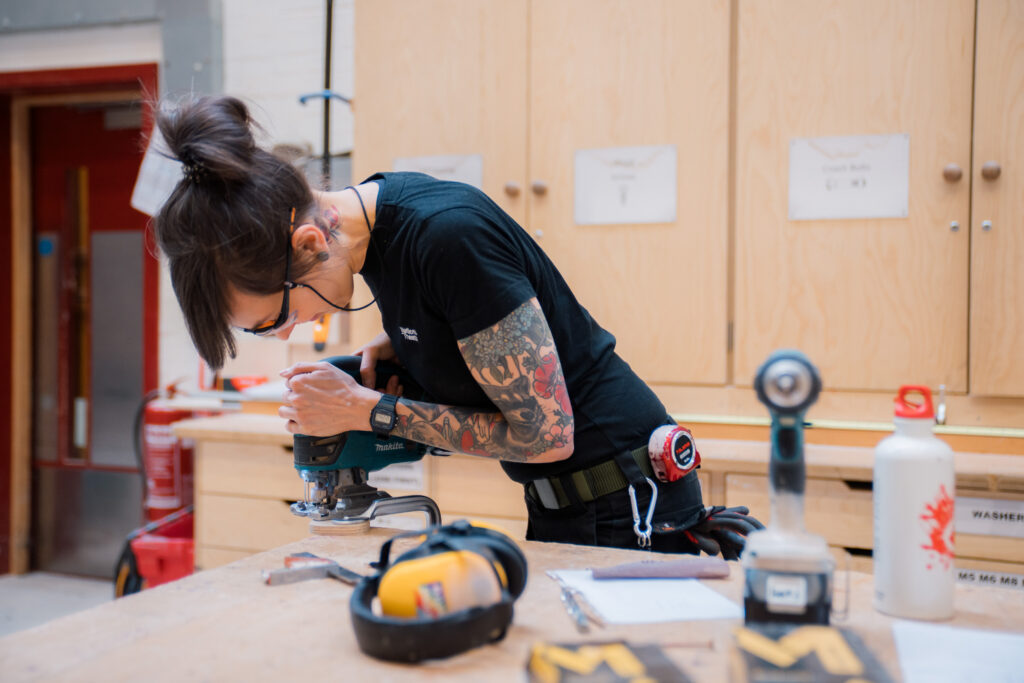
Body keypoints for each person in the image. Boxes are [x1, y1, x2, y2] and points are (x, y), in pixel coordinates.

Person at [153, 94, 761, 557]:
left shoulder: (446, 236)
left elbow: (547, 434)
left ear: (310, 241)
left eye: (274, 317)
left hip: (628, 493)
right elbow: (463, 316)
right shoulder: (380, 232)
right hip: (565, 502)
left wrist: (365, 411)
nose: (284, 334)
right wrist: (408, 344)